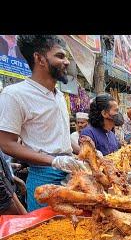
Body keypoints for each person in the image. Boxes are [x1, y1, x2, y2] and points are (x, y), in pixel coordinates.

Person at [0, 35, 86, 212]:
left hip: (71, 174)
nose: (67, 62)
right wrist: (54, 161)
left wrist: (85, 153)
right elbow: (6, 143)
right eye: (60, 56)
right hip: (43, 177)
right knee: (49, 233)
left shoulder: (60, 95)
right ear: (39, 59)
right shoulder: (15, 94)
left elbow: (59, 136)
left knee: (78, 231)